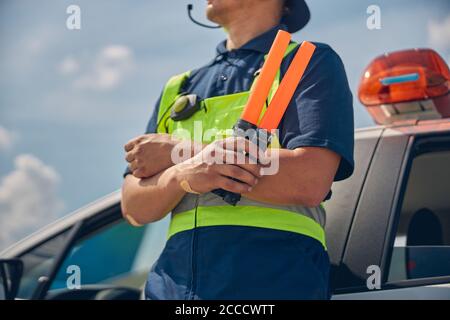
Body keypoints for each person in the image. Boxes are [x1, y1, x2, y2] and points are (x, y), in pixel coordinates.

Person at [122, 0, 354, 300]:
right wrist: (182, 174)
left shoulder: (307, 62)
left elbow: (309, 178)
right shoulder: (177, 88)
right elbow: (133, 207)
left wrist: (180, 152)